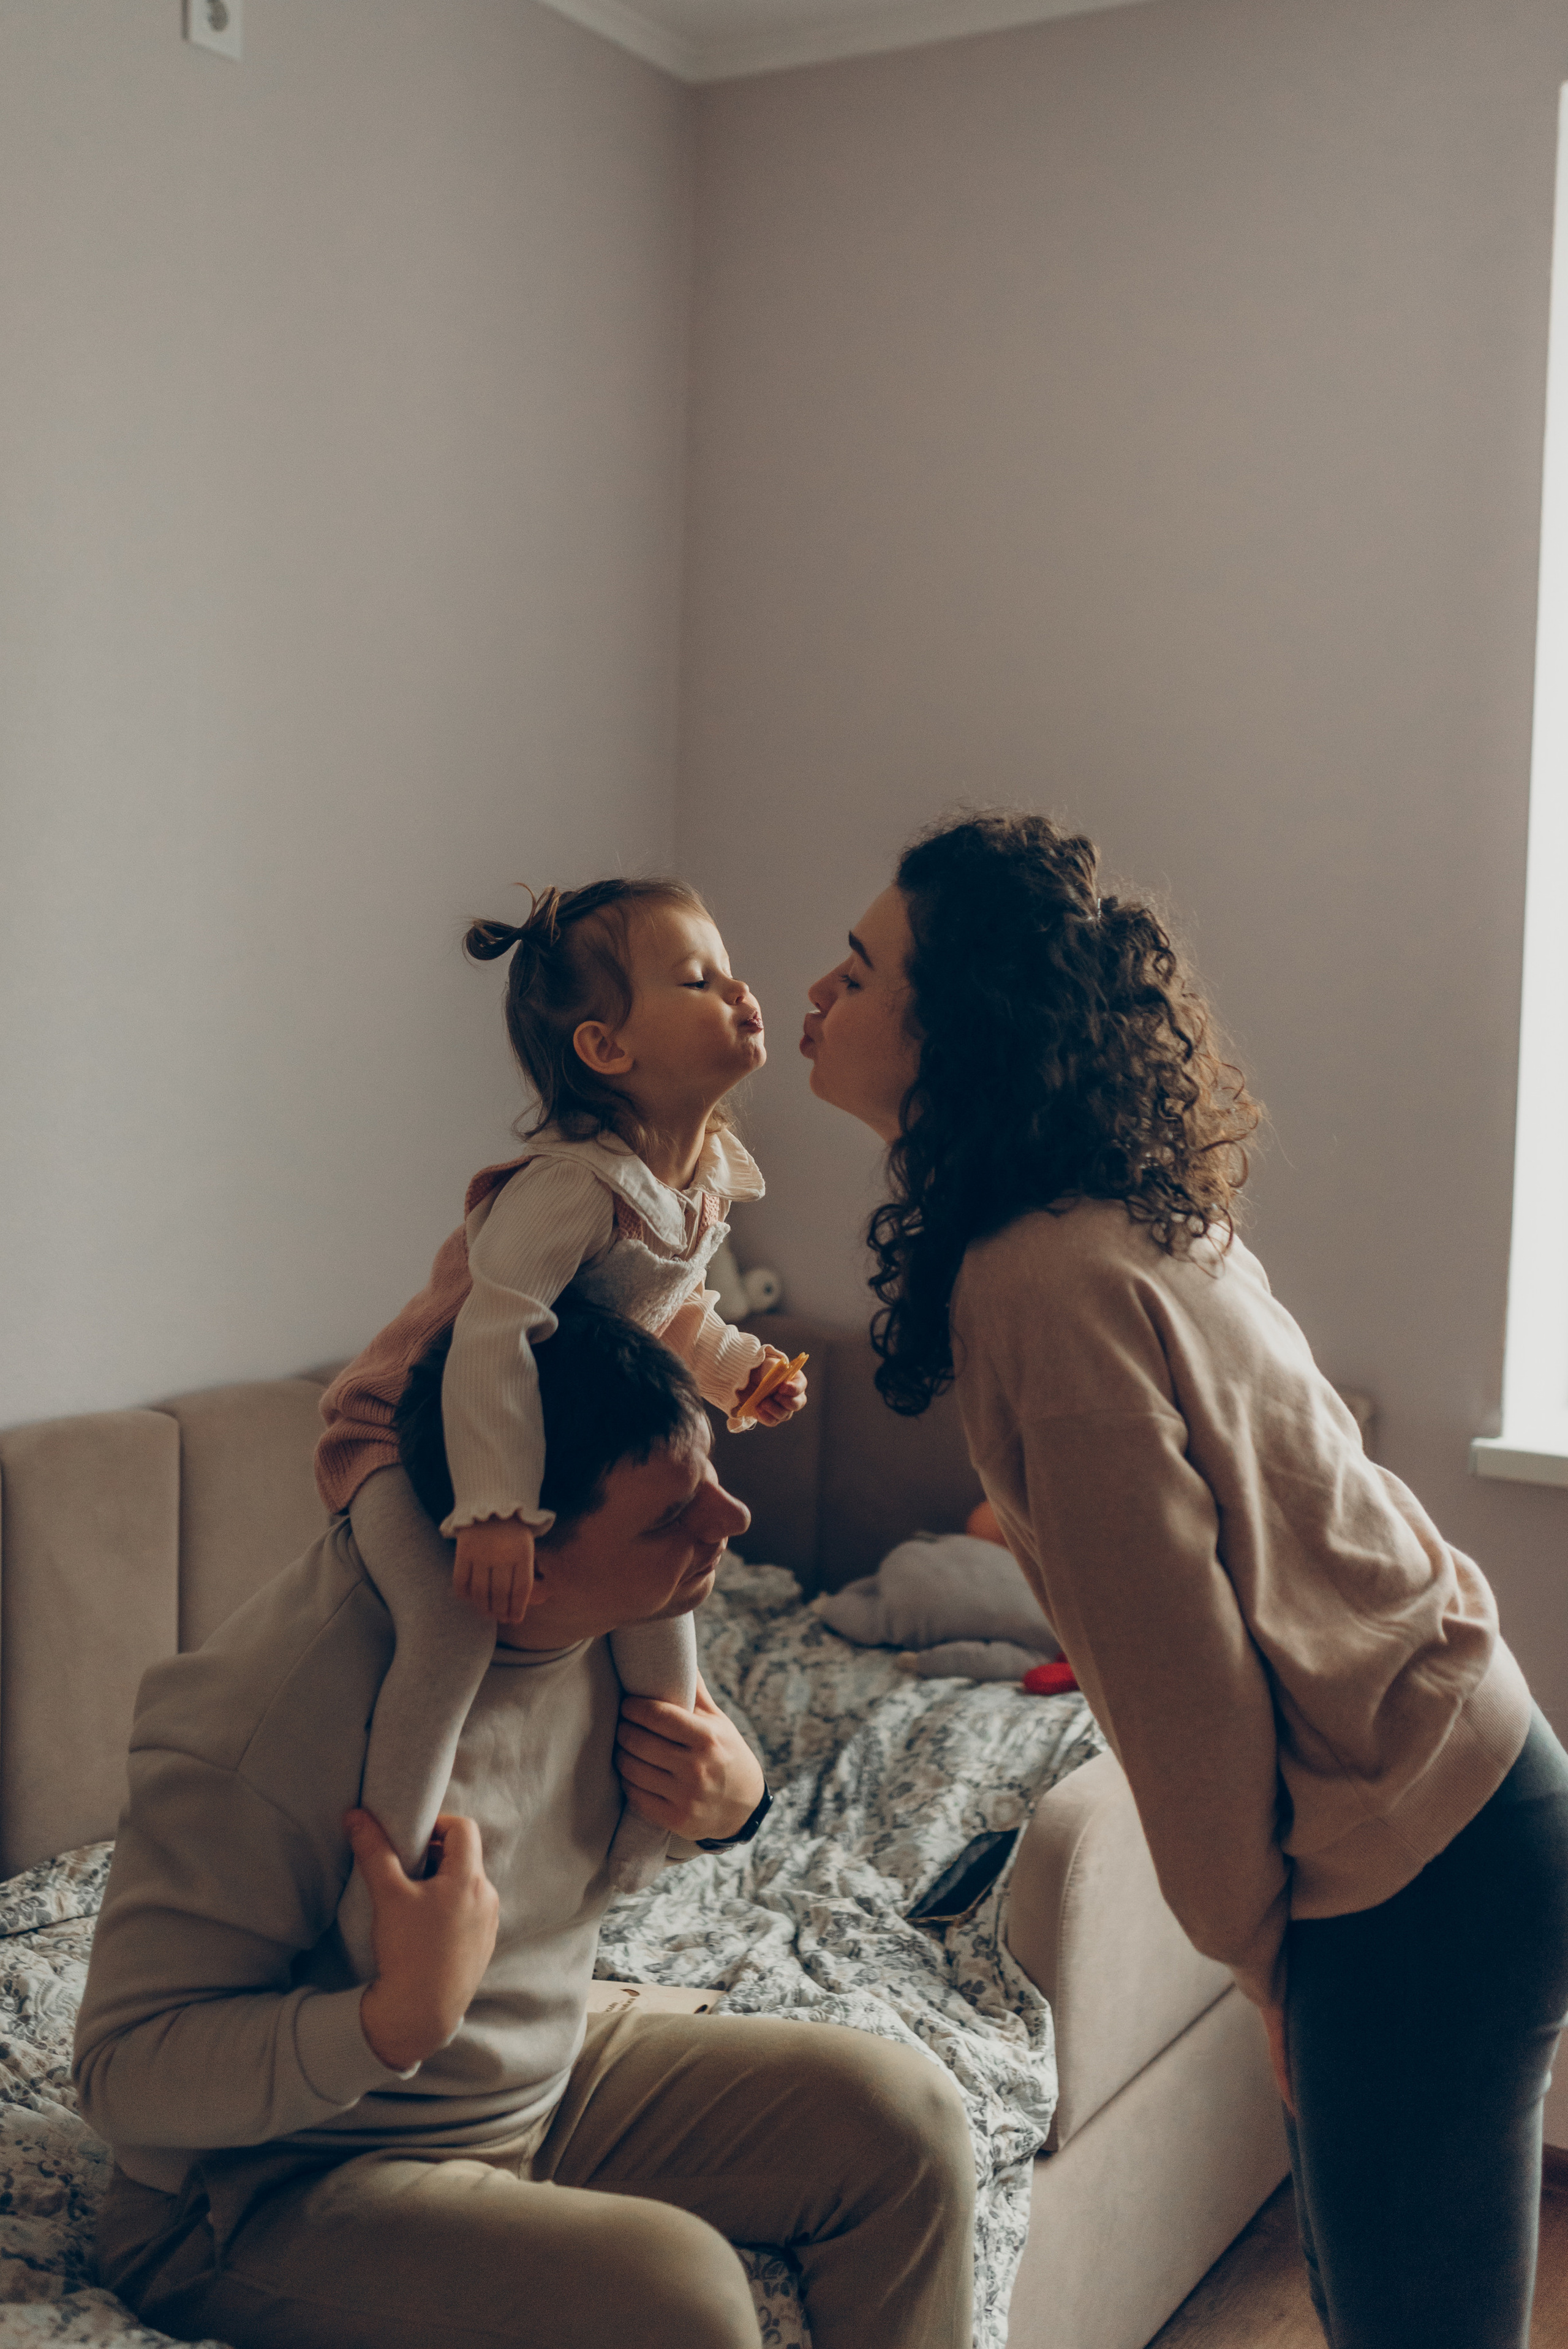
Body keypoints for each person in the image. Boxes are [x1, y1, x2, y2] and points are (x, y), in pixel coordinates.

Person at [799, 805, 1568, 2349]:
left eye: (859, 967)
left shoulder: (1035, 1285)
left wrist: (1262, 1971)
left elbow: (1180, 1689)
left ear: (958, 1027)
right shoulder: (1121, 1223)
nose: (816, 995)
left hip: (1424, 1869)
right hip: (1479, 1800)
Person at [75, 1300, 974, 2349]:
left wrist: (737, 1810)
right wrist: (390, 2019)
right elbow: (122, 2072)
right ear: (515, 1555)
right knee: (681, 2292)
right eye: (669, 1515)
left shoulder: (619, 1628)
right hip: (267, 2188)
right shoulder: (267, 1728)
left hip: (531, 2080)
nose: (729, 1520)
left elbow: (599, 1826)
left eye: (708, 1479)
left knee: (905, 2119)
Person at [314, 875, 806, 1896]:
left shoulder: (696, 1182)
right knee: (450, 1632)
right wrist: (495, 1509)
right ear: (606, 1048)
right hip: (409, 1438)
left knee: (666, 1605)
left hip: (542, 1434)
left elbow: (666, 1310)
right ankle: (395, 1883)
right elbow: (496, 1334)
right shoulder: (569, 1186)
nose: (738, 988)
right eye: (697, 978)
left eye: (728, 968)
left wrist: (737, 1371)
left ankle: (633, 1861)